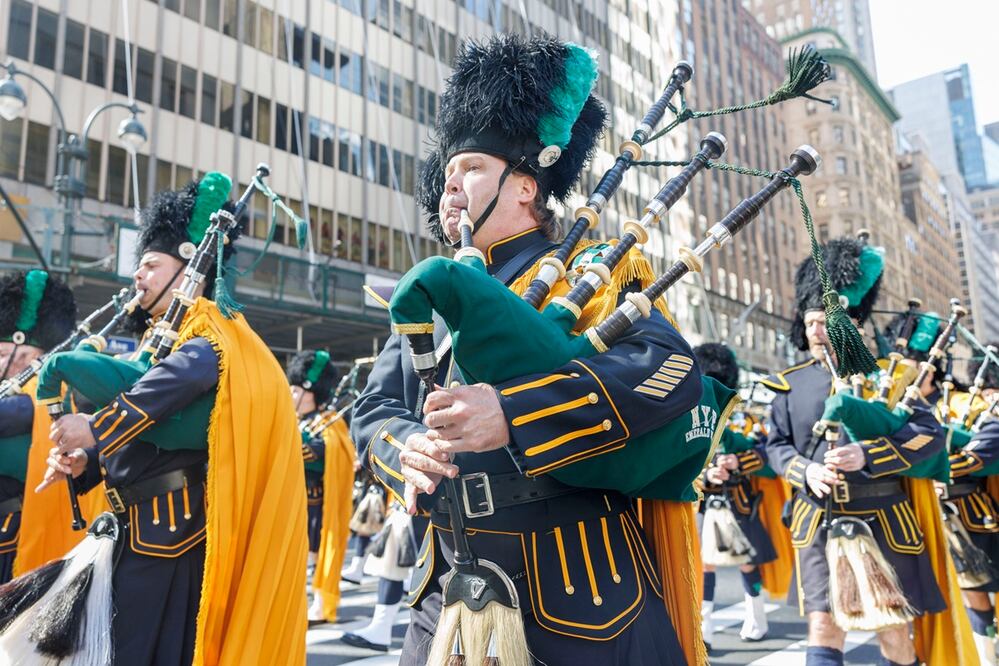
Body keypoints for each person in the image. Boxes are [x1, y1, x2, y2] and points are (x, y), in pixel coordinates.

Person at [352, 33, 703, 665]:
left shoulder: (595, 271)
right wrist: (406, 454)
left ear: (524, 187)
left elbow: (671, 373)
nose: (450, 188)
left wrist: (511, 413)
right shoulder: (429, 297)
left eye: (472, 170)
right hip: (447, 592)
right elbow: (375, 409)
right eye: (447, 175)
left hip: (579, 589)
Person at [37, 173, 308, 665]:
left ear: (189, 268)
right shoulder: (163, 339)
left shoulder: (213, 338)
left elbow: (163, 389)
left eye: (149, 264)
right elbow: (147, 435)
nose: (137, 277)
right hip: (134, 535)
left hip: (172, 543)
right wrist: (89, 462)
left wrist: (95, 427)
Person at [764, 237, 951, 666]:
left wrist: (869, 456)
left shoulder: (890, 376)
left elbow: (929, 436)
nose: (814, 330)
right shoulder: (788, 384)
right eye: (808, 321)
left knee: (892, 631)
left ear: (845, 318)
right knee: (823, 625)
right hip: (818, 520)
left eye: (822, 320)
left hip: (885, 518)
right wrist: (805, 471)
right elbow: (775, 445)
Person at [695, 343, 779, 646]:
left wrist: (738, 461)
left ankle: (756, 618)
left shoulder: (747, 418)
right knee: (704, 564)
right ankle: (703, 628)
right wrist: (706, 474)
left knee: (747, 561)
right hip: (704, 502)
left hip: (740, 501)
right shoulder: (695, 415)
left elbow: (769, 460)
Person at [0, 269, 80, 582]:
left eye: (6, 353)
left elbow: (12, 415)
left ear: (38, 356)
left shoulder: (50, 391)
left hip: (17, 540)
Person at [287, 349, 357, 623]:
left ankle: (318, 603)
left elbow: (323, 454)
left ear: (312, 391)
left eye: (296, 391)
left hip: (318, 503)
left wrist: (296, 443)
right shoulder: (299, 420)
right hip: (294, 499)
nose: (292, 396)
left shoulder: (330, 423)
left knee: (314, 552)